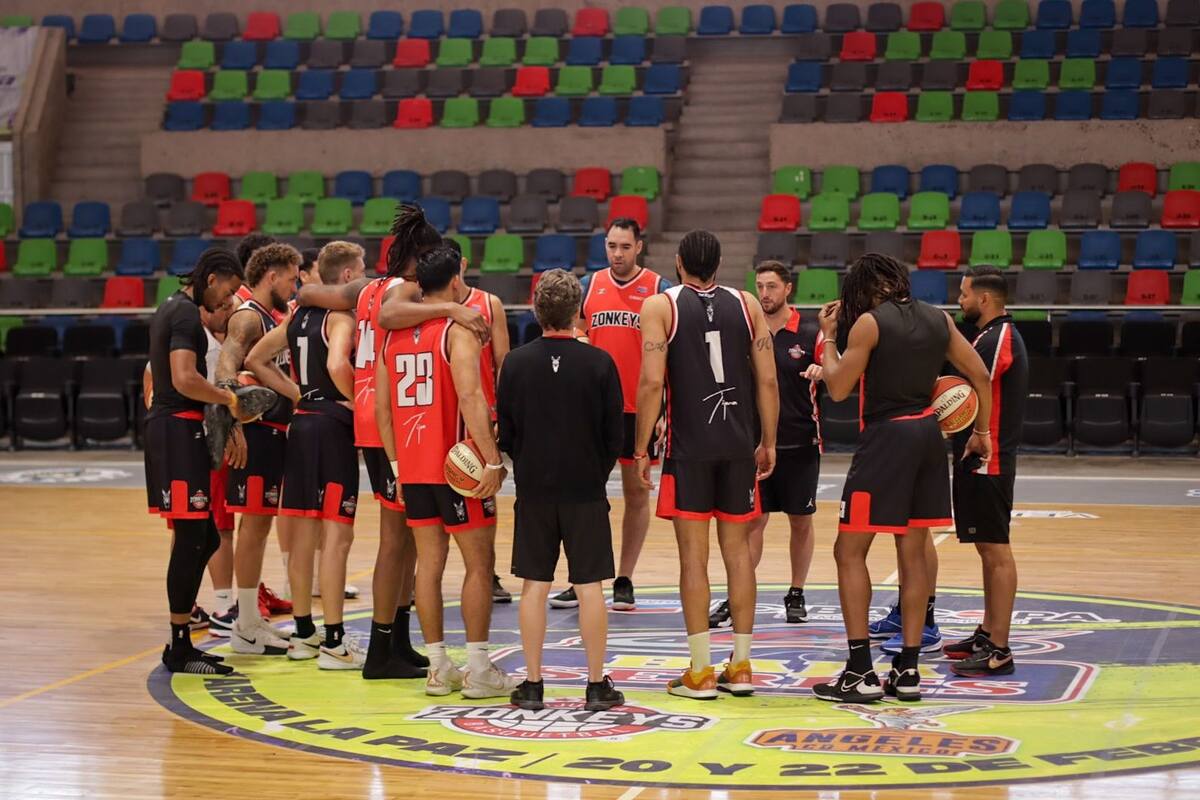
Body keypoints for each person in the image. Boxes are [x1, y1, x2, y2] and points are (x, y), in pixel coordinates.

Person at [298, 205, 486, 679]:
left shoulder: (367, 287)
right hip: (391, 423)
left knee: (402, 540)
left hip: (380, 418)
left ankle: (395, 641)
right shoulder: (400, 291)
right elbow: (391, 313)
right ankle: (384, 645)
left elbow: (311, 291)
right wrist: (450, 306)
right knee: (396, 541)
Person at [812, 253, 993, 704]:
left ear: (866, 289)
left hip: (886, 441)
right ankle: (909, 670)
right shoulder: (940, 319)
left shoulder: (869, 324)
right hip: (930, 438)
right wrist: (983, 432)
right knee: (914, 553)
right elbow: (981, 375)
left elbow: (837, 387)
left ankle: (859, 672)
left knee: (848, 550)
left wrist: (829, 338)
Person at [634, 230, 779, 700]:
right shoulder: (749, 304)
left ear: (678, 263)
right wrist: (768, 441)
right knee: (739, 554)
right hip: (738, 447)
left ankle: (701, 671)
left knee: (692, 559)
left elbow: (652, 383)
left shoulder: (660, 306)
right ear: (718, 264)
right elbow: (769, 381)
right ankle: (740, 666)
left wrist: (641, 449)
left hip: (689, 450)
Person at [376, 245, 517, 699]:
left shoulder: (392, 336)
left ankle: (438, 668)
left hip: (413, 467)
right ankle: (478, 669)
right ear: (457, 279)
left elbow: (381, 409)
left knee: (428, 567)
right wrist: (493, 459)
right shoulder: (456, 330)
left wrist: (397, 465)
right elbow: (472, 399)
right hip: (457, 465)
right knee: (479, 565)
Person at [498, 270, 626, 712]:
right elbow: (615, 435)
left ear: (536, 310)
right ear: (578, 312)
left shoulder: (514, 363)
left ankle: (532, 685)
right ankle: (595, 686)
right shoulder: (600, 363)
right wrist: (594, 469)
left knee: (534, 585)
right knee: (590, 587)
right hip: (586, 489)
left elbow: (507, 434)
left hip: (534, 489)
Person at [245, 242, 367, 670]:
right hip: (332, 425)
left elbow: (256, 357)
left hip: (300, 424)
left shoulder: (297, 317)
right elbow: (337, 365)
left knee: (301, 536)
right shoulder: (340, 317)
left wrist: (297, 393)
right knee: (337, 538)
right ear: (349, 276)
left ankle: (303, 634)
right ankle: (335, 641)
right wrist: (356, 401)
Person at [551, 218, 672, 612]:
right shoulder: (589, 285)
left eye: (624, 246)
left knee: (636, 494)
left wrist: (665, 409)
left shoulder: (659, 289)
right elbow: (576, 333)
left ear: (639, 246)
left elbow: (672, 354)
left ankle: (625, 577)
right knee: (586, 495)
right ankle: (583, 577)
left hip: (641, 409)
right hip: (594, 409)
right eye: (611, 246)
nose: (617, 254)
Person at [146, 247, 252, 674]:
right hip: (177, 430)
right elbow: (184, 378)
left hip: (176, 429)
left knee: (204, 539)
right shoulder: (187, 315)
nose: (227, 304)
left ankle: (181, 640)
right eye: (226, 295)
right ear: (211, 280)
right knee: (193, 539)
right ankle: (178, 646)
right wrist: (230, 399)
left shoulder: (171, 307)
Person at [710, 261, 822, 629]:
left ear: (788, 288)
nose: (765, 294)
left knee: (800, 522)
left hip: (800, 441)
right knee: (752, 523)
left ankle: (796, 592)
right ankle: (735, 595)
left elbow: (837, 375)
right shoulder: (747, 330)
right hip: (755, 445)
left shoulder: (809, 331)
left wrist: (825, 369)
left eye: (772, 286)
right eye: (760, 286)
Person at [942, 265, 1028, 677]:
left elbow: (979, 383)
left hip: (988, 458)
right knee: (986, 549)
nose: (960, 301)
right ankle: (988, 631)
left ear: (984, 299)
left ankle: (1000, 648)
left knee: (996, 551)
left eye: (964, 295)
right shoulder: (986, 336)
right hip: (976, 458)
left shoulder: (998, 337)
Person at [217, 243, 301, 656]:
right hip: (255, 432)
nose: (296, 283)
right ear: (272, 275)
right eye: (292, 276)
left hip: (273, 431)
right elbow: (224, 367)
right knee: (252, 527)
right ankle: (244, 625)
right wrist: (232, 424)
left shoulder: (271, 315)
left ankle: (250, 620)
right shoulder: (249, 316)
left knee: (260, 525)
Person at [443, 237, 514, 605]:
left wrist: (503, 411)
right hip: (439, 415)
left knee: (485, 493)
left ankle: (490, 571)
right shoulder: (426, 308)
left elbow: (503, 361)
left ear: (464, 265)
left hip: (479, 416)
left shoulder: (489, 304)